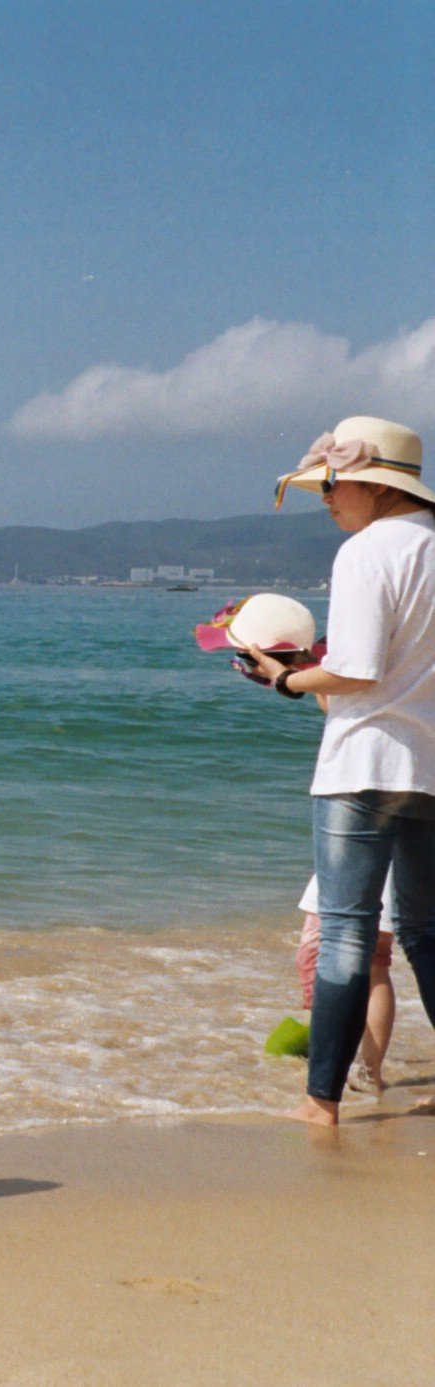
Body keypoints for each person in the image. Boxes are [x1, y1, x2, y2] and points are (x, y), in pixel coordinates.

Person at [245, 416, 435, 1125]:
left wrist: (282, 680)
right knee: (423, 930)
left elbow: (353, 670)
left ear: (369, 482)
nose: (323, 496)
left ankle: (320, 1099)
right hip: (430, 765)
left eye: (330, 482)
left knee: (346, 933)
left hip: (361, 766)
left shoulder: (365, 553)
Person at [293, 874, 394, 1092]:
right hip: (384, 869)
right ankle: (361, 1068)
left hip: (356, 867)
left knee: (318, 957)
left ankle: (339, 1067)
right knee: (374, 964)